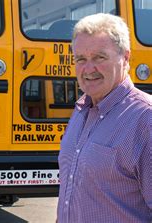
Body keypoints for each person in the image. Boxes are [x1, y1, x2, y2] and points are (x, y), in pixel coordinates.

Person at [57, 13, 151, 222]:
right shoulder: (81, 111)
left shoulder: (146, 119)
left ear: (125, 58)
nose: (89, 69)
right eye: (81, 59)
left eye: (100, 57)